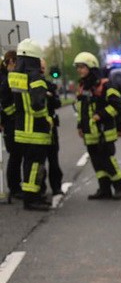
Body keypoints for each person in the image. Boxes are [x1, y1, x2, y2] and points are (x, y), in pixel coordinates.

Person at [0, 39, 53, 211]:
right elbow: (38, 105)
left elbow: (8, 102)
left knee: (28, 165)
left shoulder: (13, 77)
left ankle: (32, 197)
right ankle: (32, 200)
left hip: (21, 129)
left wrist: (14, 117)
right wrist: (46, 119)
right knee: (35, 165)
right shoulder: (35, 77)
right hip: (35, 130)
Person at [74, 51, 121, 200]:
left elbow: (116, 106)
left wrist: (100, 115)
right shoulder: (83, 86)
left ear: (91, 67)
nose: (79, 70)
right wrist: (80, 125)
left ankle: (119, 187)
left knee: (107, 161)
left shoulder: (105, 84)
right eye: (78, 67)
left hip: (104, 132)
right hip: (89, 133)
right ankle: (104, 189)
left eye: (82, 67)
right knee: (97, 163)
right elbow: (80, 108)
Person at [40, 58, 64, 199]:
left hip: (51, 127)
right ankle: (40, 189)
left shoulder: (49, 85)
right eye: (40, 67)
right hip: (38, 128)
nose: (42, 69)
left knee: (53, 160)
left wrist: (50, 96)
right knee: (39, 162)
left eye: (44, 67)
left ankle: (56, 187)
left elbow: (57, 102)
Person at [0, 49, 21, 202]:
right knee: (14, 155)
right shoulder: (5, 79)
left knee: (17, 155)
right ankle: (14, 188)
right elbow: (6, 104)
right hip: (9, 123)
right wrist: (16, 114)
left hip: (13, 123)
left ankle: (16, 186)